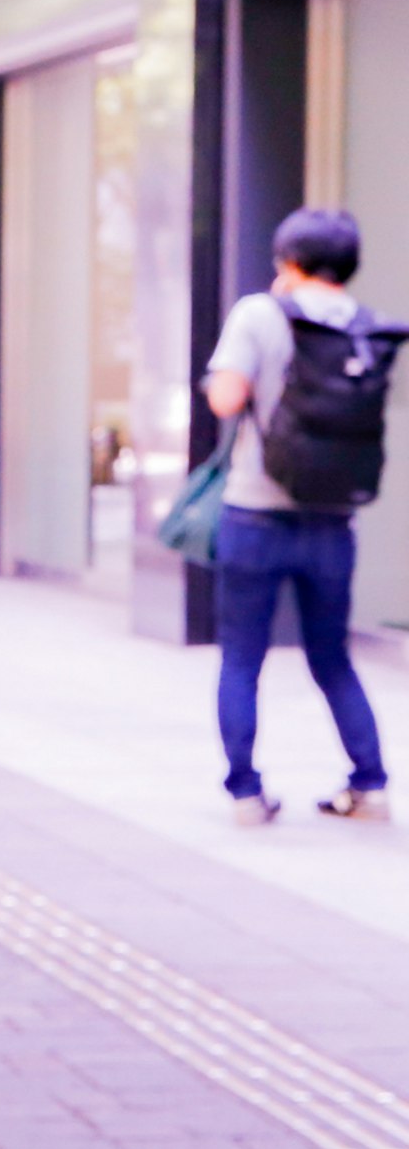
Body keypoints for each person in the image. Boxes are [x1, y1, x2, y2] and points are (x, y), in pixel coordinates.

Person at [201, 207, 391, 826]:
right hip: (334, 518)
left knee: (241, 659)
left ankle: (247, 795)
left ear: (288, 259)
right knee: (332, 658)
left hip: (256, 513)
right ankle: (370, 786)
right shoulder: (363, 325)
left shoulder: (261, 312)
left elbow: (227, 397)